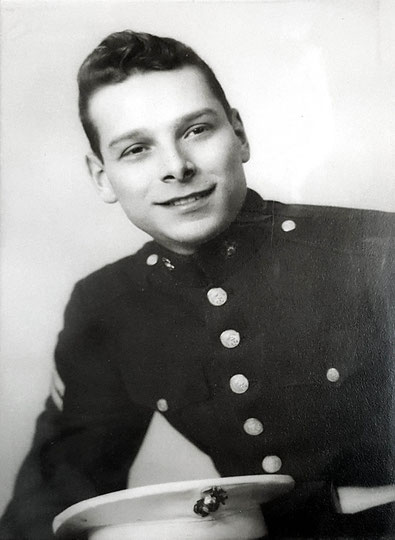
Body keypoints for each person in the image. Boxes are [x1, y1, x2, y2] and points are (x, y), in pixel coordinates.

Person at [1, 30, 394, 539]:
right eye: (137, 149)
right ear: (102, 177)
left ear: (239, 134)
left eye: (196, 130)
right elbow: (54, 491)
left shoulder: (377, 250)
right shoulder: (108, 306)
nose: (176, 168)